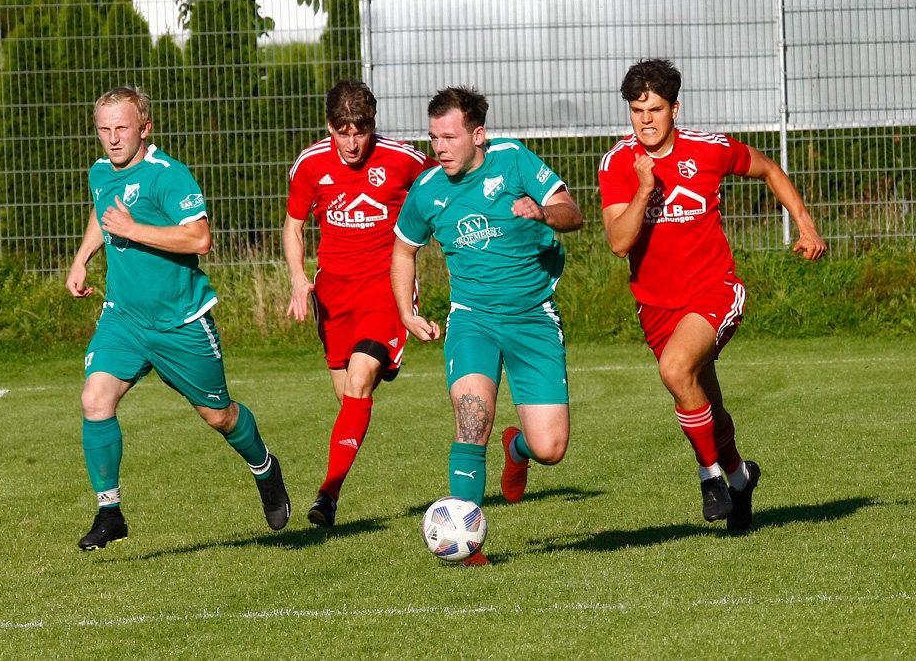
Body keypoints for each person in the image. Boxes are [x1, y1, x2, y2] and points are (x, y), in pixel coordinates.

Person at [598, 59, 827, 531]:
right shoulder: (618, 162)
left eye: (655, 109)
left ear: (675, 108)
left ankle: (710, 479)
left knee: (675, 369)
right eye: (637, 110)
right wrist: (643, 191)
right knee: (705, 402)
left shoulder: (708, 149)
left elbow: (767, 169)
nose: (645, 119)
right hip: (656, 304)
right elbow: (619, 243)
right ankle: (741, 477)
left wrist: (805, 223)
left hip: (714, 288)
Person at [66, 86, 290, 550]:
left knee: (219, 415)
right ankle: (111, 512)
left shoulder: (169, 176)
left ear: (145, 128)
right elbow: (102, 211)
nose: (112, 138)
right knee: (95, 399)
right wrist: (83, 256)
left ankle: (265, 468)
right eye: (104, 129)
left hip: (181, 323)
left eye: (122, 128)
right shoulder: (101, 171)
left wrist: (132, 230)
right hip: (124, 318)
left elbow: (200, 239)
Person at [392, 86, 583, 565]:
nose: (439, 148)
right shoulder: (429, 189)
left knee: (551, 447)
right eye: (433, 138)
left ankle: (517, 450)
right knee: (471, 418)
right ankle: (468, 543)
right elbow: (403, 250)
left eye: (450, 138)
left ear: (478, 135)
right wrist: (406, 312)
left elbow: (573, 213)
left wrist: (542, 212)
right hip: (473, 321)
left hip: (533, 318)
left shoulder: (514, 160)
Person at [283, 79, 436, 527]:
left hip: (384, 288)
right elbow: (293, 228)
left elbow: (443, 189)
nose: (351, 142)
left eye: (361, 130)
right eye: (342, 131)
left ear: (373, 125)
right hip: (333, 295)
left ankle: (327, 495)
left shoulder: (403, 159)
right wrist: (297, 279)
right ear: (329, 125)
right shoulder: (311, 164)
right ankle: (334, 480)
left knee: (360, 378)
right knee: (349, 394)